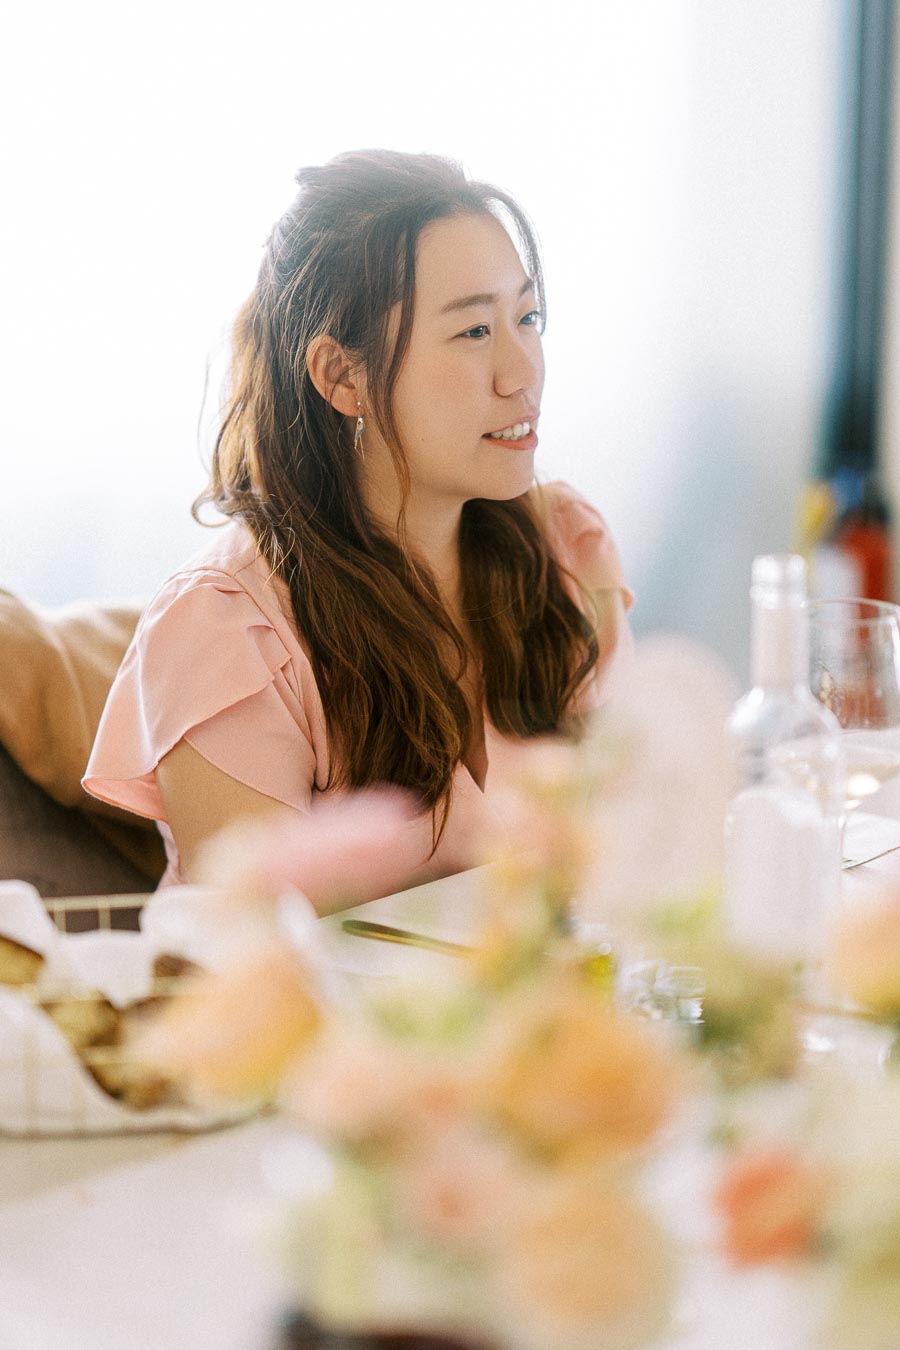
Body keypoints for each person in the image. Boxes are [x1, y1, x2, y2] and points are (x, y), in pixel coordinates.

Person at [84, 150, 634, 910]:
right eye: (474, 331)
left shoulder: (564, 549)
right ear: (343, 377)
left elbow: (637, 857)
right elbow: (269, 960)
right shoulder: (223, 633)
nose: (522, 372)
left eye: (527, 318)